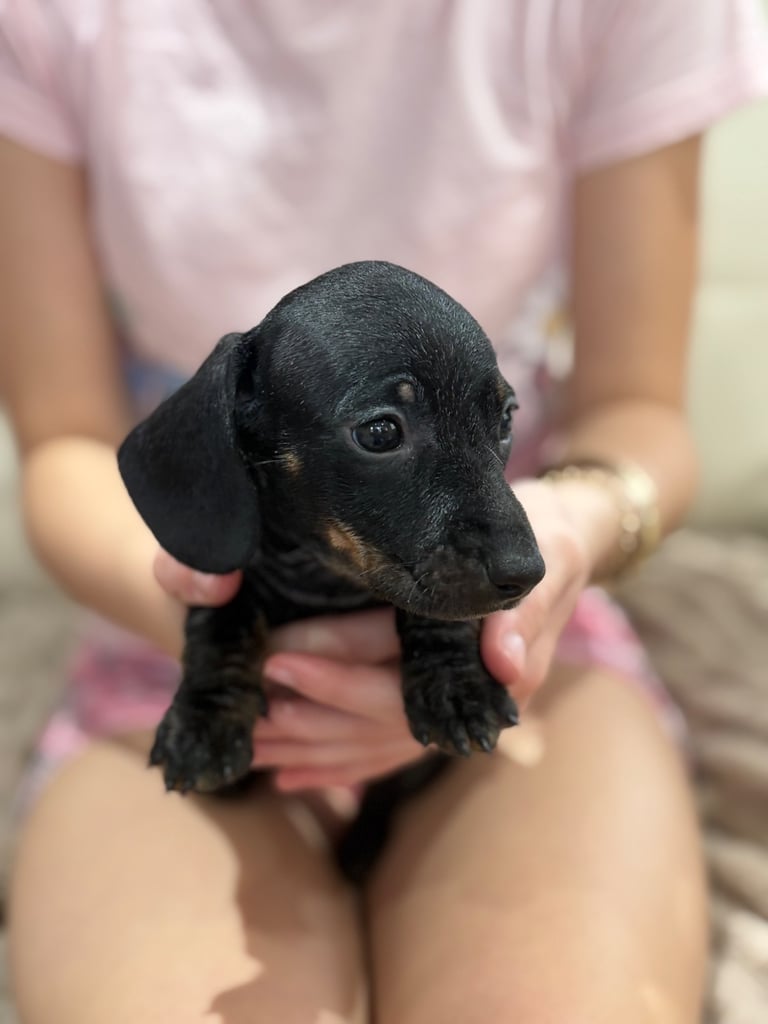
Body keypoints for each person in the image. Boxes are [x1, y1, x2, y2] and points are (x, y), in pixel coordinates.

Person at [1, 2, 766, 1021]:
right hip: (178, 643)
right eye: (380, 432)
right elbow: (65, 440)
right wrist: (235, 638)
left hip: (511, 647)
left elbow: (636, 408)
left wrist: (571, 530)